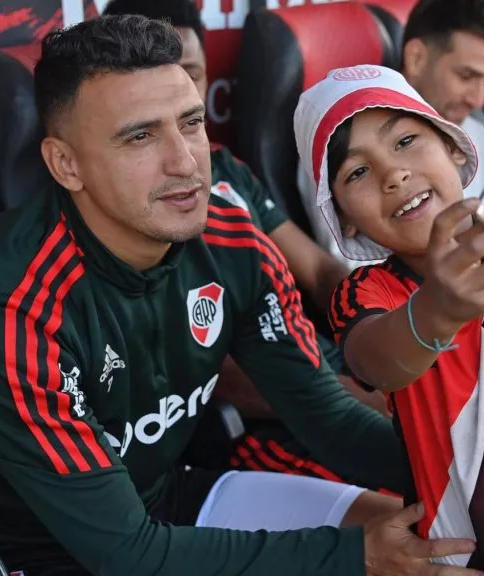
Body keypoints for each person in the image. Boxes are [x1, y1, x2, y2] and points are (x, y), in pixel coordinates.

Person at [0, 15, 481, 576]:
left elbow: (327, 417)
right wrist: (355, 557)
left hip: (165, 504)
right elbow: (123, 553)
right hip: (34, 552)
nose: (186, 161)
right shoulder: (13, 307)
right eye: (141, 136)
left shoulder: (232, 239)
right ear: (65, 164)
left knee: (436, 546)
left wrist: (472, 468)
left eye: (190, 123)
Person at [102, 0, 391, 481]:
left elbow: (320, 273)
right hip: (279, 418)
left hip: (330, 368)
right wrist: (373, 400)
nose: (181, 96)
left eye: (191, 75)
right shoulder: (126, 201)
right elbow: (208, 373)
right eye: (160, 80)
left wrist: (385, 329)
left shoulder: (228, 169)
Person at [295, 63, 484, 570]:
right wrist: (437, 313)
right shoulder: (371, 292)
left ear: (453, 146)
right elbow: (377, 360)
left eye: (405, 140)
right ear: (341, 215)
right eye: (357, 172)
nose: (394, 174)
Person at [301, 0, 484, 268]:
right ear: (416, 58)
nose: (479, 100)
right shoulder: (327, 148)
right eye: (466, 76)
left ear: (454, 149)